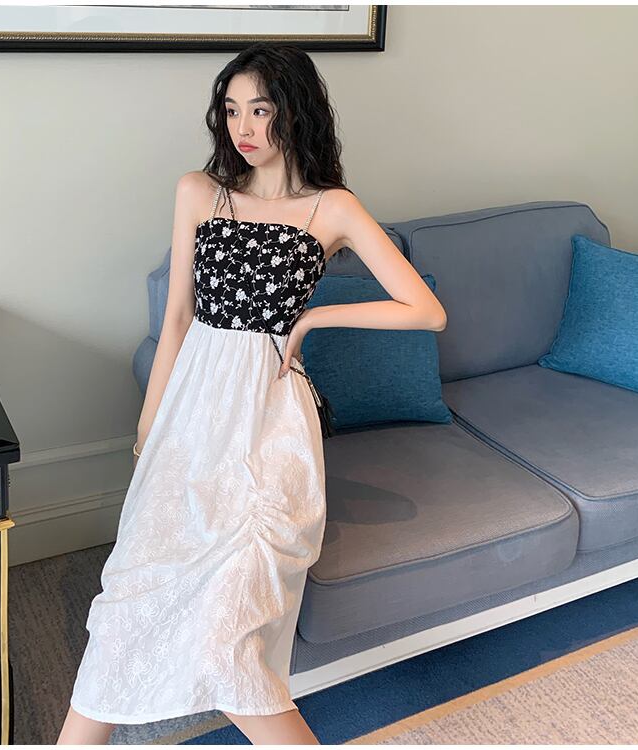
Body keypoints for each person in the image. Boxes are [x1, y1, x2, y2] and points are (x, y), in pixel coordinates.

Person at [57, 42, 446, 746]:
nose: (243, 127)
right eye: (232, 110)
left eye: (260, 110)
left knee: (230, 633)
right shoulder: (198, 192)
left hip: (270, 422)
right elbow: (178, 320)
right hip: (190, 414)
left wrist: (314, 319)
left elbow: (426, 310)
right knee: (128, 601)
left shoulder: (332, 208)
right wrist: (148, 432)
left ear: (295, 113)